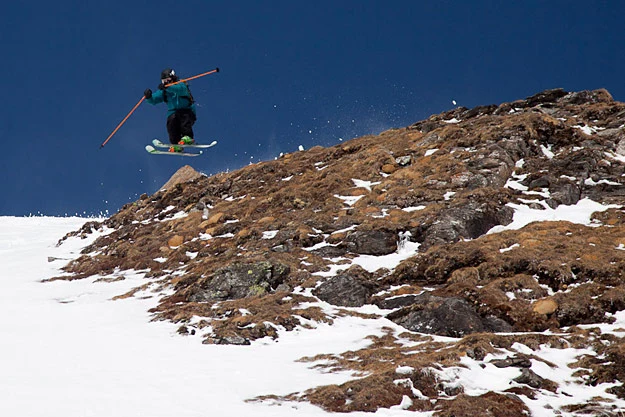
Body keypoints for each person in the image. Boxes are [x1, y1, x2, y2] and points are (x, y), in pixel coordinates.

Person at [144, 68, 197, 152]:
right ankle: (176, 144)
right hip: (173, 113)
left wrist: (168, 87)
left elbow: (181, 90)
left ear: (173, 78)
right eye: (163, 81)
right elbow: (154, 99)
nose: (165, 83)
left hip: (187, 111)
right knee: (171, 125)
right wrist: (149, 97)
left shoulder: (181, 84)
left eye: (167, 80)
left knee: (183, 119)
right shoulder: (165, 91)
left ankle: (188, 137)